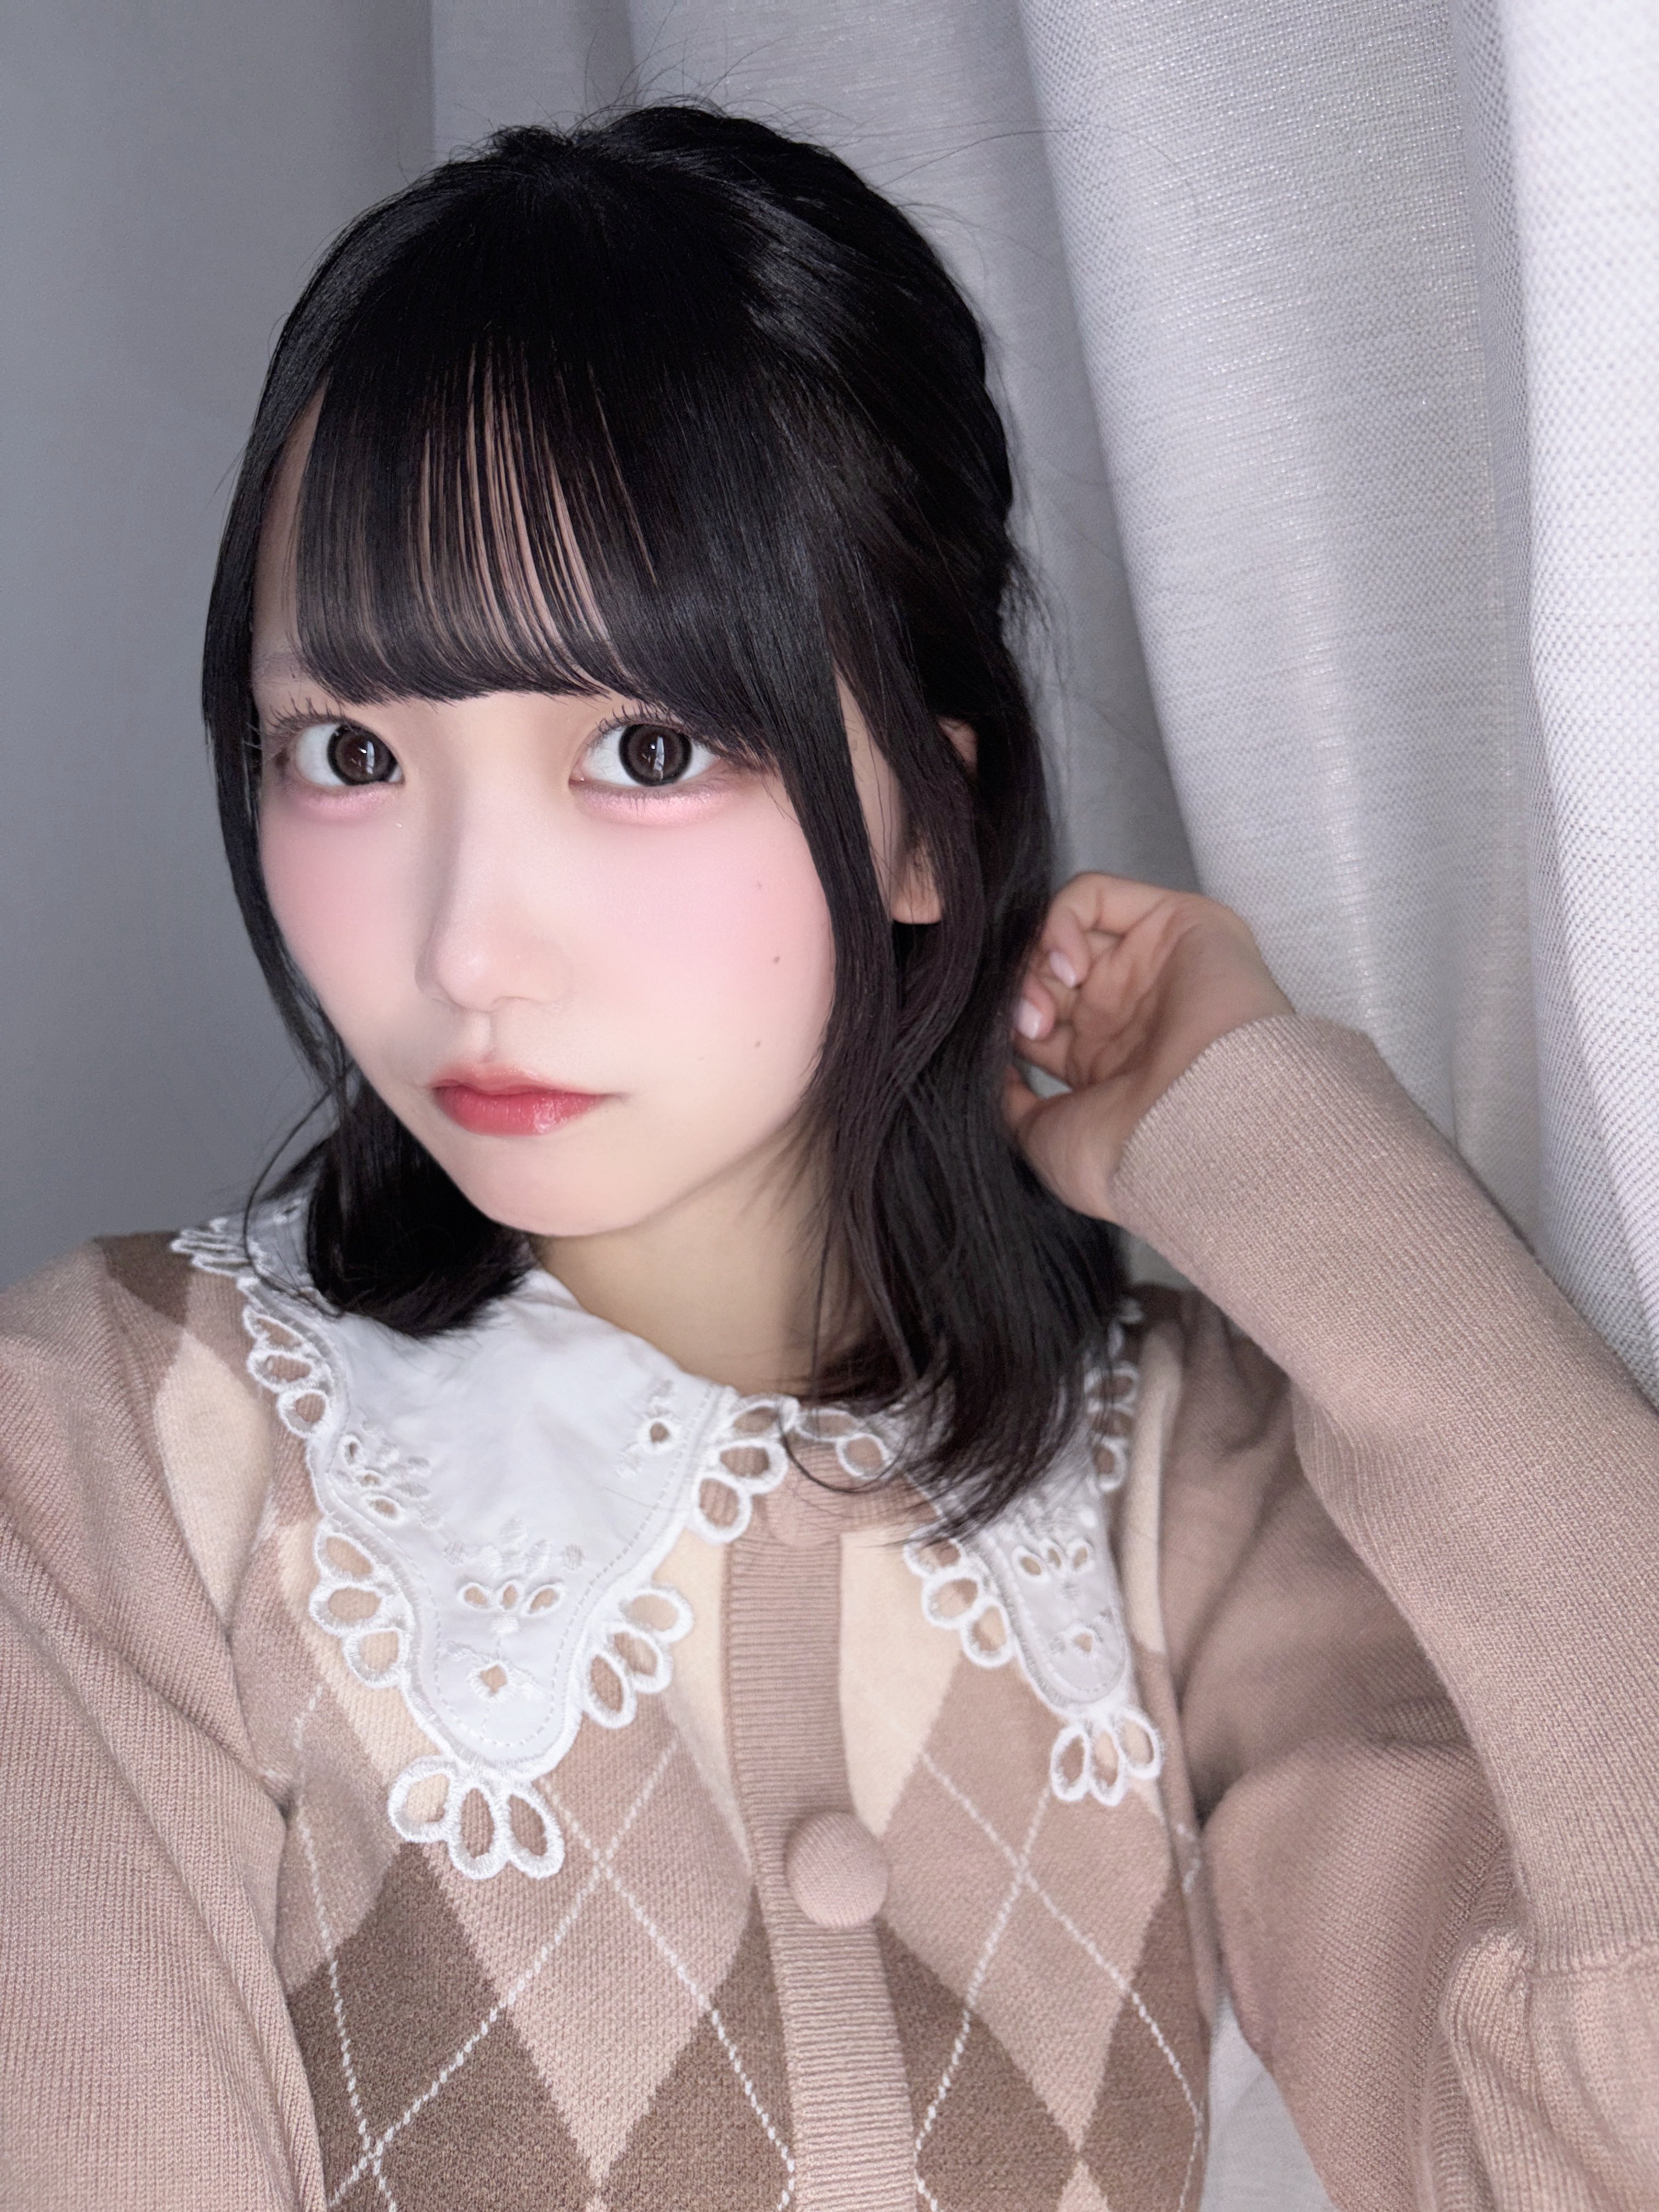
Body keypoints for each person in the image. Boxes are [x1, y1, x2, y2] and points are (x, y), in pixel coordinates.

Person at [1, 105, 1655, 2212]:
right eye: (350, 752)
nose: (465, 949)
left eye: (645, 750)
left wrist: (1289, 1154)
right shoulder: (107, 1458)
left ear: (924, 816)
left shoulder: (1184, 1487)